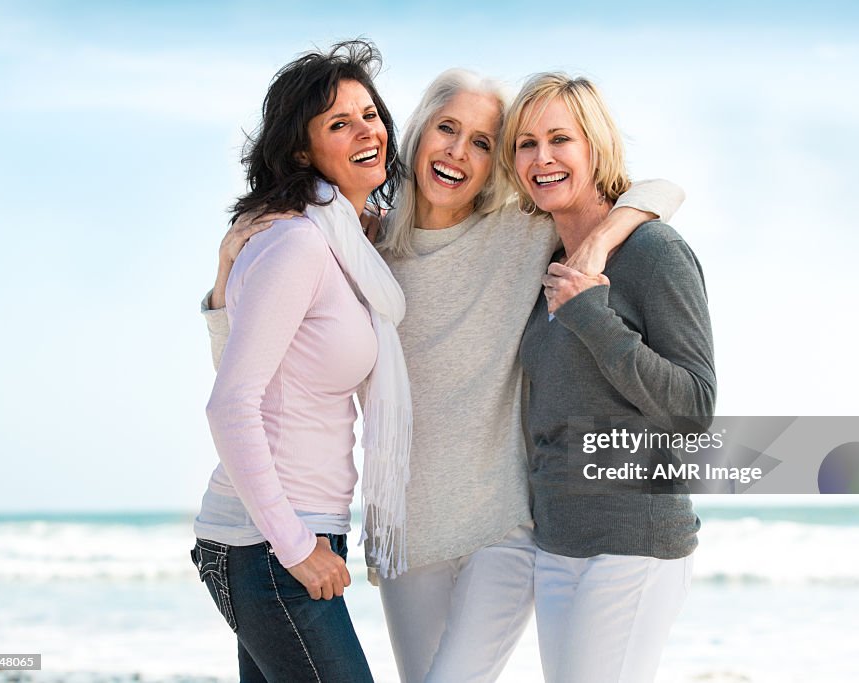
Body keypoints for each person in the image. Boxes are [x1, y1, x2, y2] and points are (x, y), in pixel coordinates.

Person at [205, 67, 685, 683]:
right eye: (448, 129)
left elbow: (660, 189)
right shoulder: (361, 251)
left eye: (483, 142)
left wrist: (603, 239)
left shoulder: (523, 233)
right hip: (406, 535)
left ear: (495, 164)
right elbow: (249, 383)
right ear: (418, 133)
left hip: (503, 527)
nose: (459, 151)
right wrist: (226, 270)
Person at [192, 40, 411, 683]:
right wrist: (295, 547)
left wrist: (223, 280)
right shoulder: (298, 242)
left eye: (369, 113)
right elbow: (231, 402)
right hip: (267, 543)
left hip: (292, 534)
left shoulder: (347, 244)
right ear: (300, 151)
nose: (366, 131)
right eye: (339, 124)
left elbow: (249, 369)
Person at [501, 72, 715, 683]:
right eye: (525, 143)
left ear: (595, 146)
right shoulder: (544, 259)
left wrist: (592, 315)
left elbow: (695, 406)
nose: (542, 158)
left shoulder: (653, 251)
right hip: (559, 542)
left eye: (560, 139)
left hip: (634, 541)